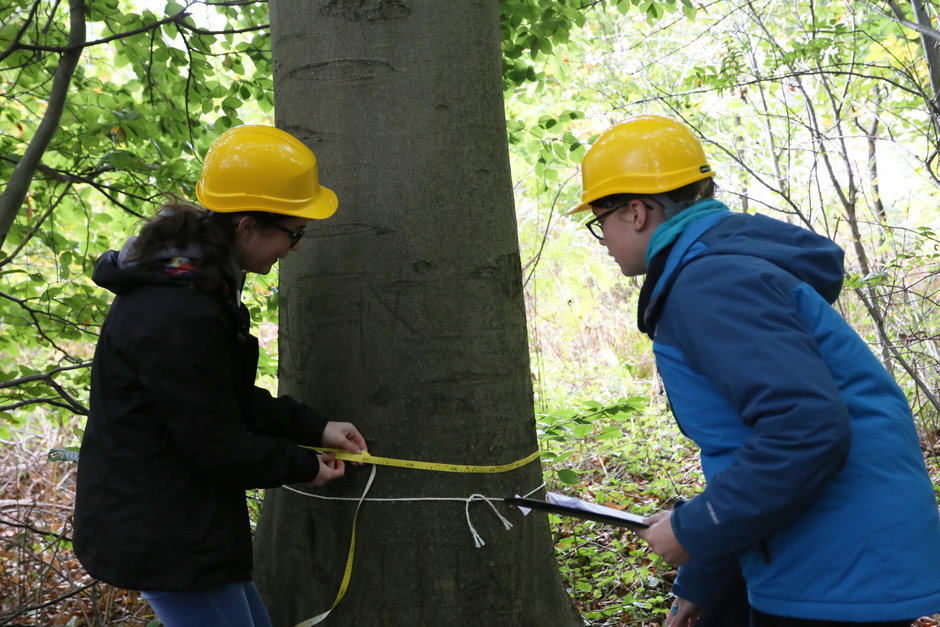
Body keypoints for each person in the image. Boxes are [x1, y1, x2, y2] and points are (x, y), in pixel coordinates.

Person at [570, 114, 940, 627]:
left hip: (834, 567)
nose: (603, 239)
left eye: (598, 221)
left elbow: (805, 429)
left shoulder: (712, 282)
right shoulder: (718, 267)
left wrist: (696, 529)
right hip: (820, 551)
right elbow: (750, 447)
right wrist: (706, 571)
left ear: (635, 212)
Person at [73, 125, 368, 627]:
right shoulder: (177, 313)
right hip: (163, 532)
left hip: (188, 520)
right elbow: (215, 441)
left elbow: (222, 396)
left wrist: (313, 428)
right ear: (248, 226)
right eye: (292, 234)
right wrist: (301, 465)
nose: (294, 249)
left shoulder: (200, 286)